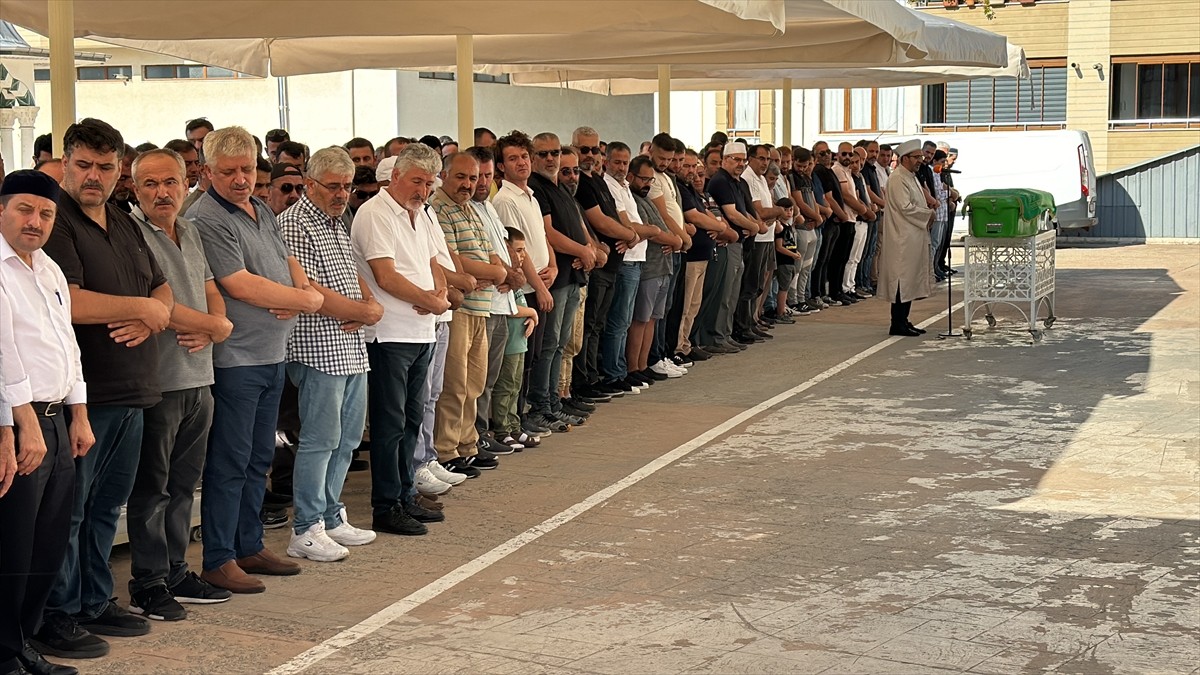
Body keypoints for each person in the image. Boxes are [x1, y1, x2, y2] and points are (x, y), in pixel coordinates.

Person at [37, 119, 175, 658]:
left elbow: (158, 284)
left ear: (120, 171)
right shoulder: (56, 221)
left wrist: (153, 314)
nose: (93, 176)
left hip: (135, 388)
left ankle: (94, 600)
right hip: (83, 395)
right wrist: (141, 309)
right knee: (70, 510)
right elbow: (65, 300)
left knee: (104, 507)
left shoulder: (121, 219)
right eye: (84, 164)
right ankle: (58, 612)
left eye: (105, 166)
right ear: (66, 162)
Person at [190, 126, 323, 594]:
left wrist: (300, 291)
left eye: (247, 169)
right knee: (230, 459)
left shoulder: (261, 208)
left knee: (258, 456)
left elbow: (287, 261)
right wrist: (300, 300)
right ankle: (219, 557)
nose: (241, 179)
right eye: (228, 172)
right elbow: (238, 282)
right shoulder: (207, 216)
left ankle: (248, 544)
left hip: (271, 353)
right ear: (207, 172)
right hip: (236, 359)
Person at [125, 148, 235, 624]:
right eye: (149, 184)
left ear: (186, 183)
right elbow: (158, 308)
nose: (161, 192)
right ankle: (147, 583)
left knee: (184, 484)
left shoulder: (189, 229)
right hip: (161, 378)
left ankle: (174, 571)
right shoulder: (131, 235)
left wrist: (218, 323)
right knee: (153, 488)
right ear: (134, 189)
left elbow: (210, 287)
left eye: (170, 181)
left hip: (200, 376)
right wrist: (217, 328)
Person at [0, 170, 94, 674]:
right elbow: (3, 352)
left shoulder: (49, 269)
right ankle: (4, 653)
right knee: (13, 545)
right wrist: (23, 422)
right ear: (1, 210)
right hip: (20, 424)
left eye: (46, 214)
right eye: (24, 210)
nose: (35, 222)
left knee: (47, 542)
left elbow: (67, 345)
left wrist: (79, 413)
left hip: (57, 420)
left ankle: (21, 642)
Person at [277, 147, 383, 563]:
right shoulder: (294, 223)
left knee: (348, 439)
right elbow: (311, 293)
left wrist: (368, 302)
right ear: (310, 183)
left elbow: (351, 271)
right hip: (317, 346)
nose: (342, 194)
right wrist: (363, 311)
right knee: (321, 440)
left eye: (347, 186)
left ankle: (329, 514)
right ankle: (305, 528)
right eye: (333, 186)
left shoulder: (337, 222)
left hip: (350, 345)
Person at [350, 143, 451, 536]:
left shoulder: (420, 213)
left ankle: (406, 492)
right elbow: (385, 276)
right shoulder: (376, 213)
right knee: (390, 423)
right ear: (394, 177)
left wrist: (439, 296)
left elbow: (432, 262)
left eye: (428, 183)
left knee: (412, 418)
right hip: (390, 334)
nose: (423, 190)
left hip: (421, 331)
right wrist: (429, 299)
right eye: (416, 181)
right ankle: (385, 504)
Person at [430, 153, 507, 472]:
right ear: (445, 175)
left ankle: (467, 443)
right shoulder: (438, 208)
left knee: (475, 381)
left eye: (473, 179)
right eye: (461, 177)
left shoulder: (471, 209)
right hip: (459, 308)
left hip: (481, 306)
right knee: (454, 382)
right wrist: (496, 273)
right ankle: (447, 451)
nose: (468, 184)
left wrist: (495, 271)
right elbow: (454, 262)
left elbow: (490, 255)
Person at [490, 131, 560, 436]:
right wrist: (541, 289)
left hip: (542, 279)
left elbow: (541, 237)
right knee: (522, 357)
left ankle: (525, 413)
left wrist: (554, 266)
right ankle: (517, 417)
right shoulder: (505, 200)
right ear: (501, 167)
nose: (522, 162)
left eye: (524, 156)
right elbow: (519, 251)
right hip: (527, 289)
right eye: (513, 158)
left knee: (537, 352)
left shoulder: (528, 194)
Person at [879, 140, 935, 337]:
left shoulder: (911, 176)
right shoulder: (897, 178)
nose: (920, 160)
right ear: (904, 159)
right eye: (916, 157)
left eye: (920, 156)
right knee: (901, 281)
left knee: (909, 280)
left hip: (912, 236)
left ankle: (904, 319)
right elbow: (905, 207)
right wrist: (927, 214)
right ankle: (897, 323)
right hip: (902, 237)